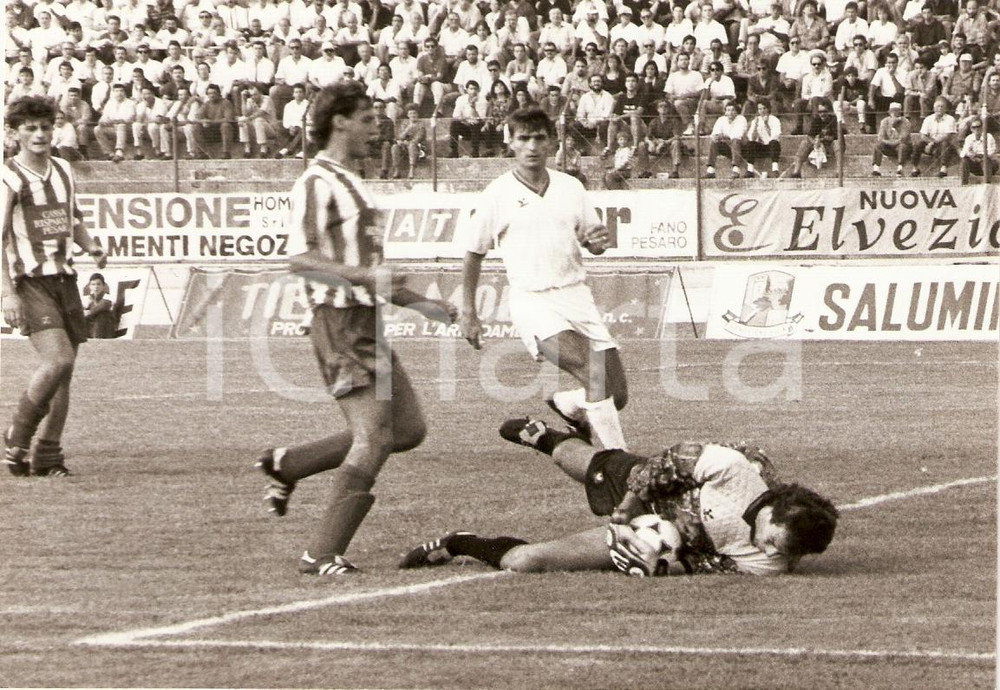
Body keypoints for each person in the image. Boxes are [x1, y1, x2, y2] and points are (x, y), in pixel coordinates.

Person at [255, 81, 457, 576]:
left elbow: (373, 272)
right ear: (339, 122)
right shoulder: (316, 182)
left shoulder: (355, 183)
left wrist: (424, 305)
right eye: (367, 119)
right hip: (339, 322)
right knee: (373, 437)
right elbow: (300, 260)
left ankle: (289, 464)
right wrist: (368, 279)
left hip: (366, 320)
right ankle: (321, 553)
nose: (376, 127)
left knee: (406, 430)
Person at [399, 417, 838, 576]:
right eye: (774, 541)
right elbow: (672, 460)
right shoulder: (737, 470)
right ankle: (549, 438)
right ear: (776, 510)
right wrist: (628, 507)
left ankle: (459, 542)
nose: (771, 553)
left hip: (657, 532)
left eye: (786, 553)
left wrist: (659, 559)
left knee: (526, 562)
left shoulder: (772, 564)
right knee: (586, 466)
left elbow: (711, 565)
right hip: (652, 486)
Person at [458, 106, 629, 450]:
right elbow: (473, 253)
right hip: (533, 301)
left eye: (539, 138)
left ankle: (567, 404)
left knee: (616, 395)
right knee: (593, 372)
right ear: (511, 143)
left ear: (552, 141)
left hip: (576, 296)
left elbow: (593, 241)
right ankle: (620, 462)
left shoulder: (571, 187)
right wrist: (468, 312)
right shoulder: (497, 194)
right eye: (524, 138)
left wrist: (598, 242)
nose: (532, 146)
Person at [2, 97, 108, 478]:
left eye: (45, 127)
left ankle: (48, 454)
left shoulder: (63, 168)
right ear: (14, 134)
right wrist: (7, 293)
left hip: (66, 279)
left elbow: (72, 219)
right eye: (30, 128)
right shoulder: (9, 177)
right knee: (58, 359)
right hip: (31, 282)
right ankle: (18, 434)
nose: (39, 134)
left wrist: (91, 245)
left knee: (65, 375)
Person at [872, 101, 913, 176]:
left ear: (900, 112)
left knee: (902, 146)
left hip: (903, 147)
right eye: (892, 111)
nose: (894, 113)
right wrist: (890, 142)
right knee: (878, 145)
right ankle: (876, 169)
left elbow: (903, 139)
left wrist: (895, 127)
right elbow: (881, 138)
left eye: (896, 110)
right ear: (889, 112)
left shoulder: (905, 122)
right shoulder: (884, 121)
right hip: (890, 146)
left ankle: (900, 168)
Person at [959, 116, 997, 183]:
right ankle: (964, 184)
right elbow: (963, 154)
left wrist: (977, 156)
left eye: (978, 126)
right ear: (971, 129)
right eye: (974, 127)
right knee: (964, 161)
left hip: (989, 164)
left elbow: (991, 152)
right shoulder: (969, 138)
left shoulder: (988, 136)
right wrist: (974, 156)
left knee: (986, 160)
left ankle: (987, 184)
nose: (976, 129)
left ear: (982, 127)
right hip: (976, 164)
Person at [83, 272, 118, 338]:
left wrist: (89, 312)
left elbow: (105, 304)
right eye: (93, 284)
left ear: (103, 286)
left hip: (105, 328)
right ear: (90, 286)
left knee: (102, 315)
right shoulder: (88, 298)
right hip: (91, 329)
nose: (96, 287)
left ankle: (97, 340)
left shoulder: (108, 296)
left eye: (98, 284)